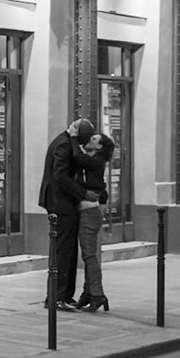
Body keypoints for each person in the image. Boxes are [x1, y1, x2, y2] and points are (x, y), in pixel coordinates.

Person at [37, 117, 95, 310]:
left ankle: (65, 295)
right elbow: (60, 176)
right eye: (81, 141)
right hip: (59, 203)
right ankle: (56, 297)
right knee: (63, 251)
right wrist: (83, 193)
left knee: (69, 250)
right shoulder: (63, 144)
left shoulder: (67, 141)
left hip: (65, 203)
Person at [73, 131, 118, 312]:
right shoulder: (95, 160)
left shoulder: (96, 161)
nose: (89, 139)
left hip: (90, 214)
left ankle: (98, 295)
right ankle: (88, 294)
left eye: (93, 139)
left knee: (89, 256)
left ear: (99, 146)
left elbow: (78, 158)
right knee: (88, 255)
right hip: (89, 213)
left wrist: (74, 137)